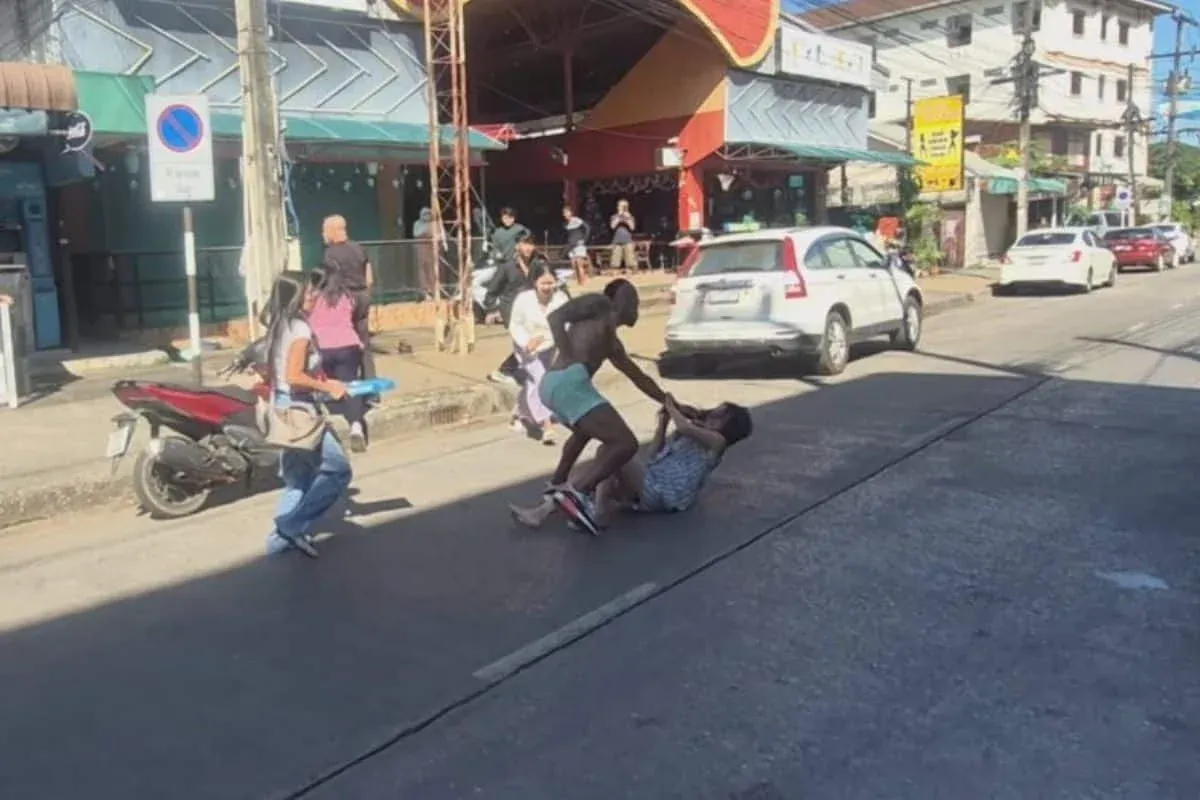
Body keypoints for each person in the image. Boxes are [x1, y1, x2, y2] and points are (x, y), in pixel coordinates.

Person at [532, 279, 677, 535]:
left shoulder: (612, 343)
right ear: (617, 299)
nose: (636, 305)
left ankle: (556, 485)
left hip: (556, 386)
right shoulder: (598, 305)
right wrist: (568, 357)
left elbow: (639, 378)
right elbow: (556, 317)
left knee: (584, 431)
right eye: (632, 298)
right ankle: (577, 493)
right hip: (567, 380)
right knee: (625, 444)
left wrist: (670, 402)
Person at [511, 395, 753, 529]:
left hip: (664, 493)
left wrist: (673, 408)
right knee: (600, 466)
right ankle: (544, 511)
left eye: (720, 416)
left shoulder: (716, 443)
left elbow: (684, 426)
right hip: (651, 482)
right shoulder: (691, 434)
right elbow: (655, 452)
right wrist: (662, 423)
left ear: (728, 427)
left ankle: (597, 512)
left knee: (614, 452)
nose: (712, 416)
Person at [263, 273, 353, 559]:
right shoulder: (300, 329)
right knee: (338, 471)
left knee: (298, 479)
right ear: (294, 298)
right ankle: (290, 525)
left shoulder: (279, 324)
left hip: (283, 406)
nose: (314, 297)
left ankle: (279, 542)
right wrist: (328, 387)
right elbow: (295, 376)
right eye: (308, 294)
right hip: (301, 411)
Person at [306, 268, 369, 453]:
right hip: (348, 345)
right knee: (350, 385)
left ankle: (327, 428)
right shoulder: (348, 297)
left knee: (322, 384)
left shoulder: (312, 298)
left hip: (321, 347)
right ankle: (356, 427)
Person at [508, 261, 570, 444]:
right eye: (543, 283)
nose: (547, 288)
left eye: (551, 283)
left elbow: (567, 322)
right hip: (527, 347)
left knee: (535, 381)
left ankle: (519, 414)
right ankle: (546, 424)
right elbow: (515, 324)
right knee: (539, 379)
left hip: (550, 346)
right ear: (535, 282)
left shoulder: (561, 299)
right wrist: (527, 342)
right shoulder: (523, 299)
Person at [321, 215, 376, 386]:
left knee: (344, 343)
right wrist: (365, 296)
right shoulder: (359, 248)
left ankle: (346, 382)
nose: (322, 234)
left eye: (324, 230)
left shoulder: (330, 253)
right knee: (364, 342)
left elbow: (331, 282)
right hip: (363, 296)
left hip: (345, 300)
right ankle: (371, 386)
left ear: (332, 231)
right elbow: (370, 278)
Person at [484, 232, 539, 386]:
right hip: (511, 309)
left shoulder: (537, 265)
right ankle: (503, 371)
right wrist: (491, 309)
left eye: (531, 244)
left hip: (531, 309)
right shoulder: (507, 267)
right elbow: (492, 290)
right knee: (525, 341)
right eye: (524, 244)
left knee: (536, 341)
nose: (528, 248)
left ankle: (511, 370)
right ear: (517, 246)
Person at [562, 204, 591, 286]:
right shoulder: (565, 224)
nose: (565, 214)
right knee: (574, 265)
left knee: (579, 264)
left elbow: (587, 228)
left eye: (566, 212)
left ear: (570, 213)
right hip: (571, 246)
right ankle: (578, 282)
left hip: (578, 245)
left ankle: (584, 282)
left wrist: (584, 240)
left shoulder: (576, 220)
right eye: (564, 213)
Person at [610, 198, 638, 273]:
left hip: (627, 240)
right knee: (615, 260)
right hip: (617, 240)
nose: (621, 207)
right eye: (620, 206)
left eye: (624, 206)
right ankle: (615, 274)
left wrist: (627, 218)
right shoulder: (614, 216)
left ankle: (630, 274)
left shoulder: (630, 216)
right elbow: (612, 226)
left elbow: (632, 227)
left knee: (630, 260)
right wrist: (619, 217)